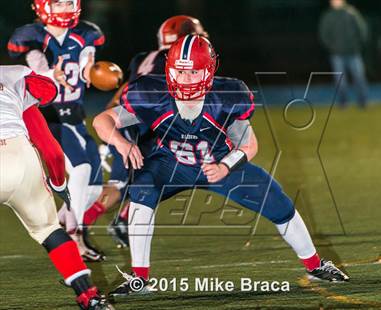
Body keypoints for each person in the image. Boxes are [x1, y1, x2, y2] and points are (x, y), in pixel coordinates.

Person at [93, 35, 350, 297]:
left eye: (194, 72)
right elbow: (102, 121)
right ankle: (139, 278)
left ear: (208, 72)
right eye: (180, 72)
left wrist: (226, 167)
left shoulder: (228, 96)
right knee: (142, 190)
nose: (186, 79)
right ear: (169, 70)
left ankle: (315, 265)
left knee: (277, 202)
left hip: (217, 163)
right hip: (170, 162)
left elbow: (249, 145)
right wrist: (122, 145)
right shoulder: (152, 93)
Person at [86, 15, 208, 248]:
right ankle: (76, 225)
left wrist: (112, 115)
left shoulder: (142, 58)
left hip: (128, 119)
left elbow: (125, 89)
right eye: (198, 35)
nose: (203, 39)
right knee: (123, 184)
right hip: (137, 124)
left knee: (155, 175)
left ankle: (120, 220)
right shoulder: (176, 61)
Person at [0, 65, 113, 309]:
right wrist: (59, 183)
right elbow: (51, 151)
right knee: (50, 230)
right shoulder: (15, 80)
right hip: (18, 157)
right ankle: (90, 297)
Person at [8, 0, 106, 261]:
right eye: (59, 2)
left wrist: (91, 70)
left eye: (69, 2)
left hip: (75, 117)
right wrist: (51, 74)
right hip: (49, 117)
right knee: (82, 168)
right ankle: (75, 236)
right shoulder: (31, 36)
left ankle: (60, 225)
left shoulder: (86, 33)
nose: (65, 7)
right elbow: (36, 62)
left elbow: (87, 60)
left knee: (94, 187)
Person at [319, 0, 369, 108]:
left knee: (359, 77)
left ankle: (363, 102)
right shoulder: (328, 16)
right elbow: (323, 34)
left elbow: (362, 29)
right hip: (337, 54)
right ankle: (343, 103)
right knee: (340, 81)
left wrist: (358, 45)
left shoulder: (351, 12)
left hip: (353, 52)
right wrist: (332, 47)